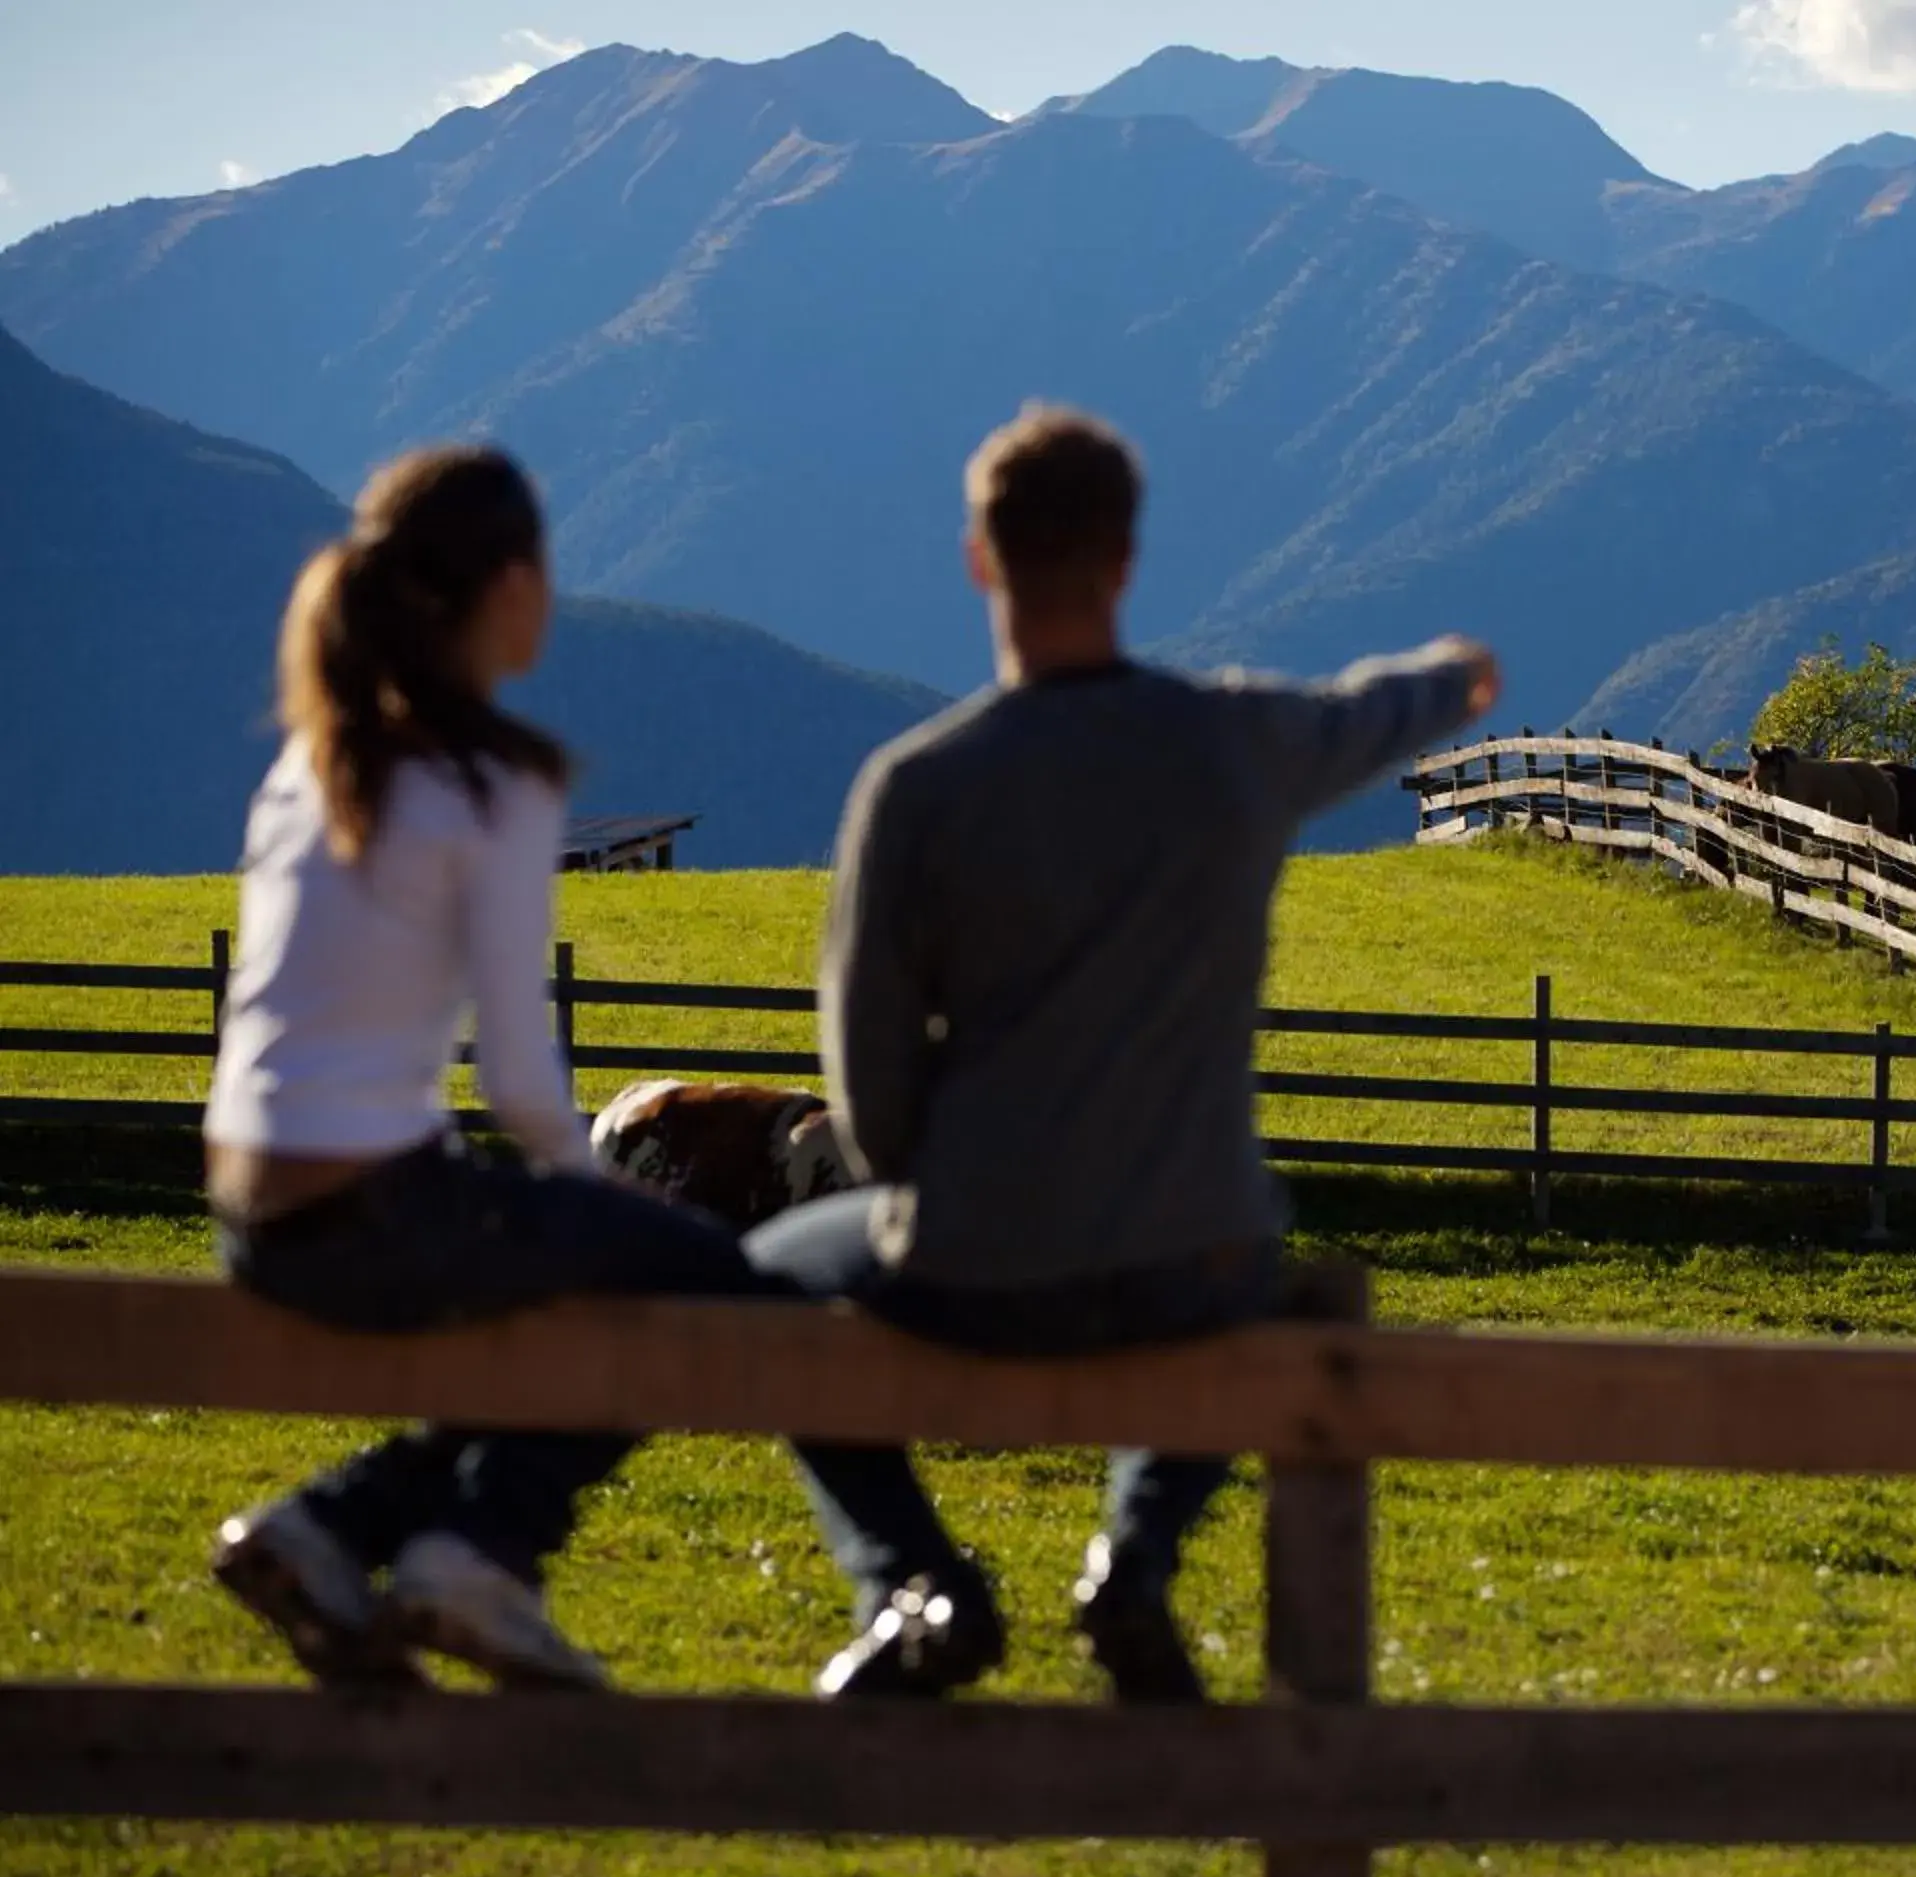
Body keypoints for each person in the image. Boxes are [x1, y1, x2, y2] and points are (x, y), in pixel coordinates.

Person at [747, 403, 1500, 1701]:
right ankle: (1135, 1558)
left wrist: (942, 1202)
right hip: (1190, 1252)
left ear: (982, 559)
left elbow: (867, 1080)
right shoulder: (1233, 742)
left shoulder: (917, 787)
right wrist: (1455, 675)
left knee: (761, 1281)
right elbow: (1370, 711)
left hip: (975, 1252)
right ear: (1126, 560)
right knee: (1255, 1251)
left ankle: (916, 1583)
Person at [202, 445, 779, 1692]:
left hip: (251, 1209)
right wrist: (593, 1198)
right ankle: (479, 1547)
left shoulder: (310, 764)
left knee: (562, 1275)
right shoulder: (493, 778)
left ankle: (342, 1523)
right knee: (691, 1272)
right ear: (507, 584)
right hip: (378, 1208)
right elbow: (520, 1072)